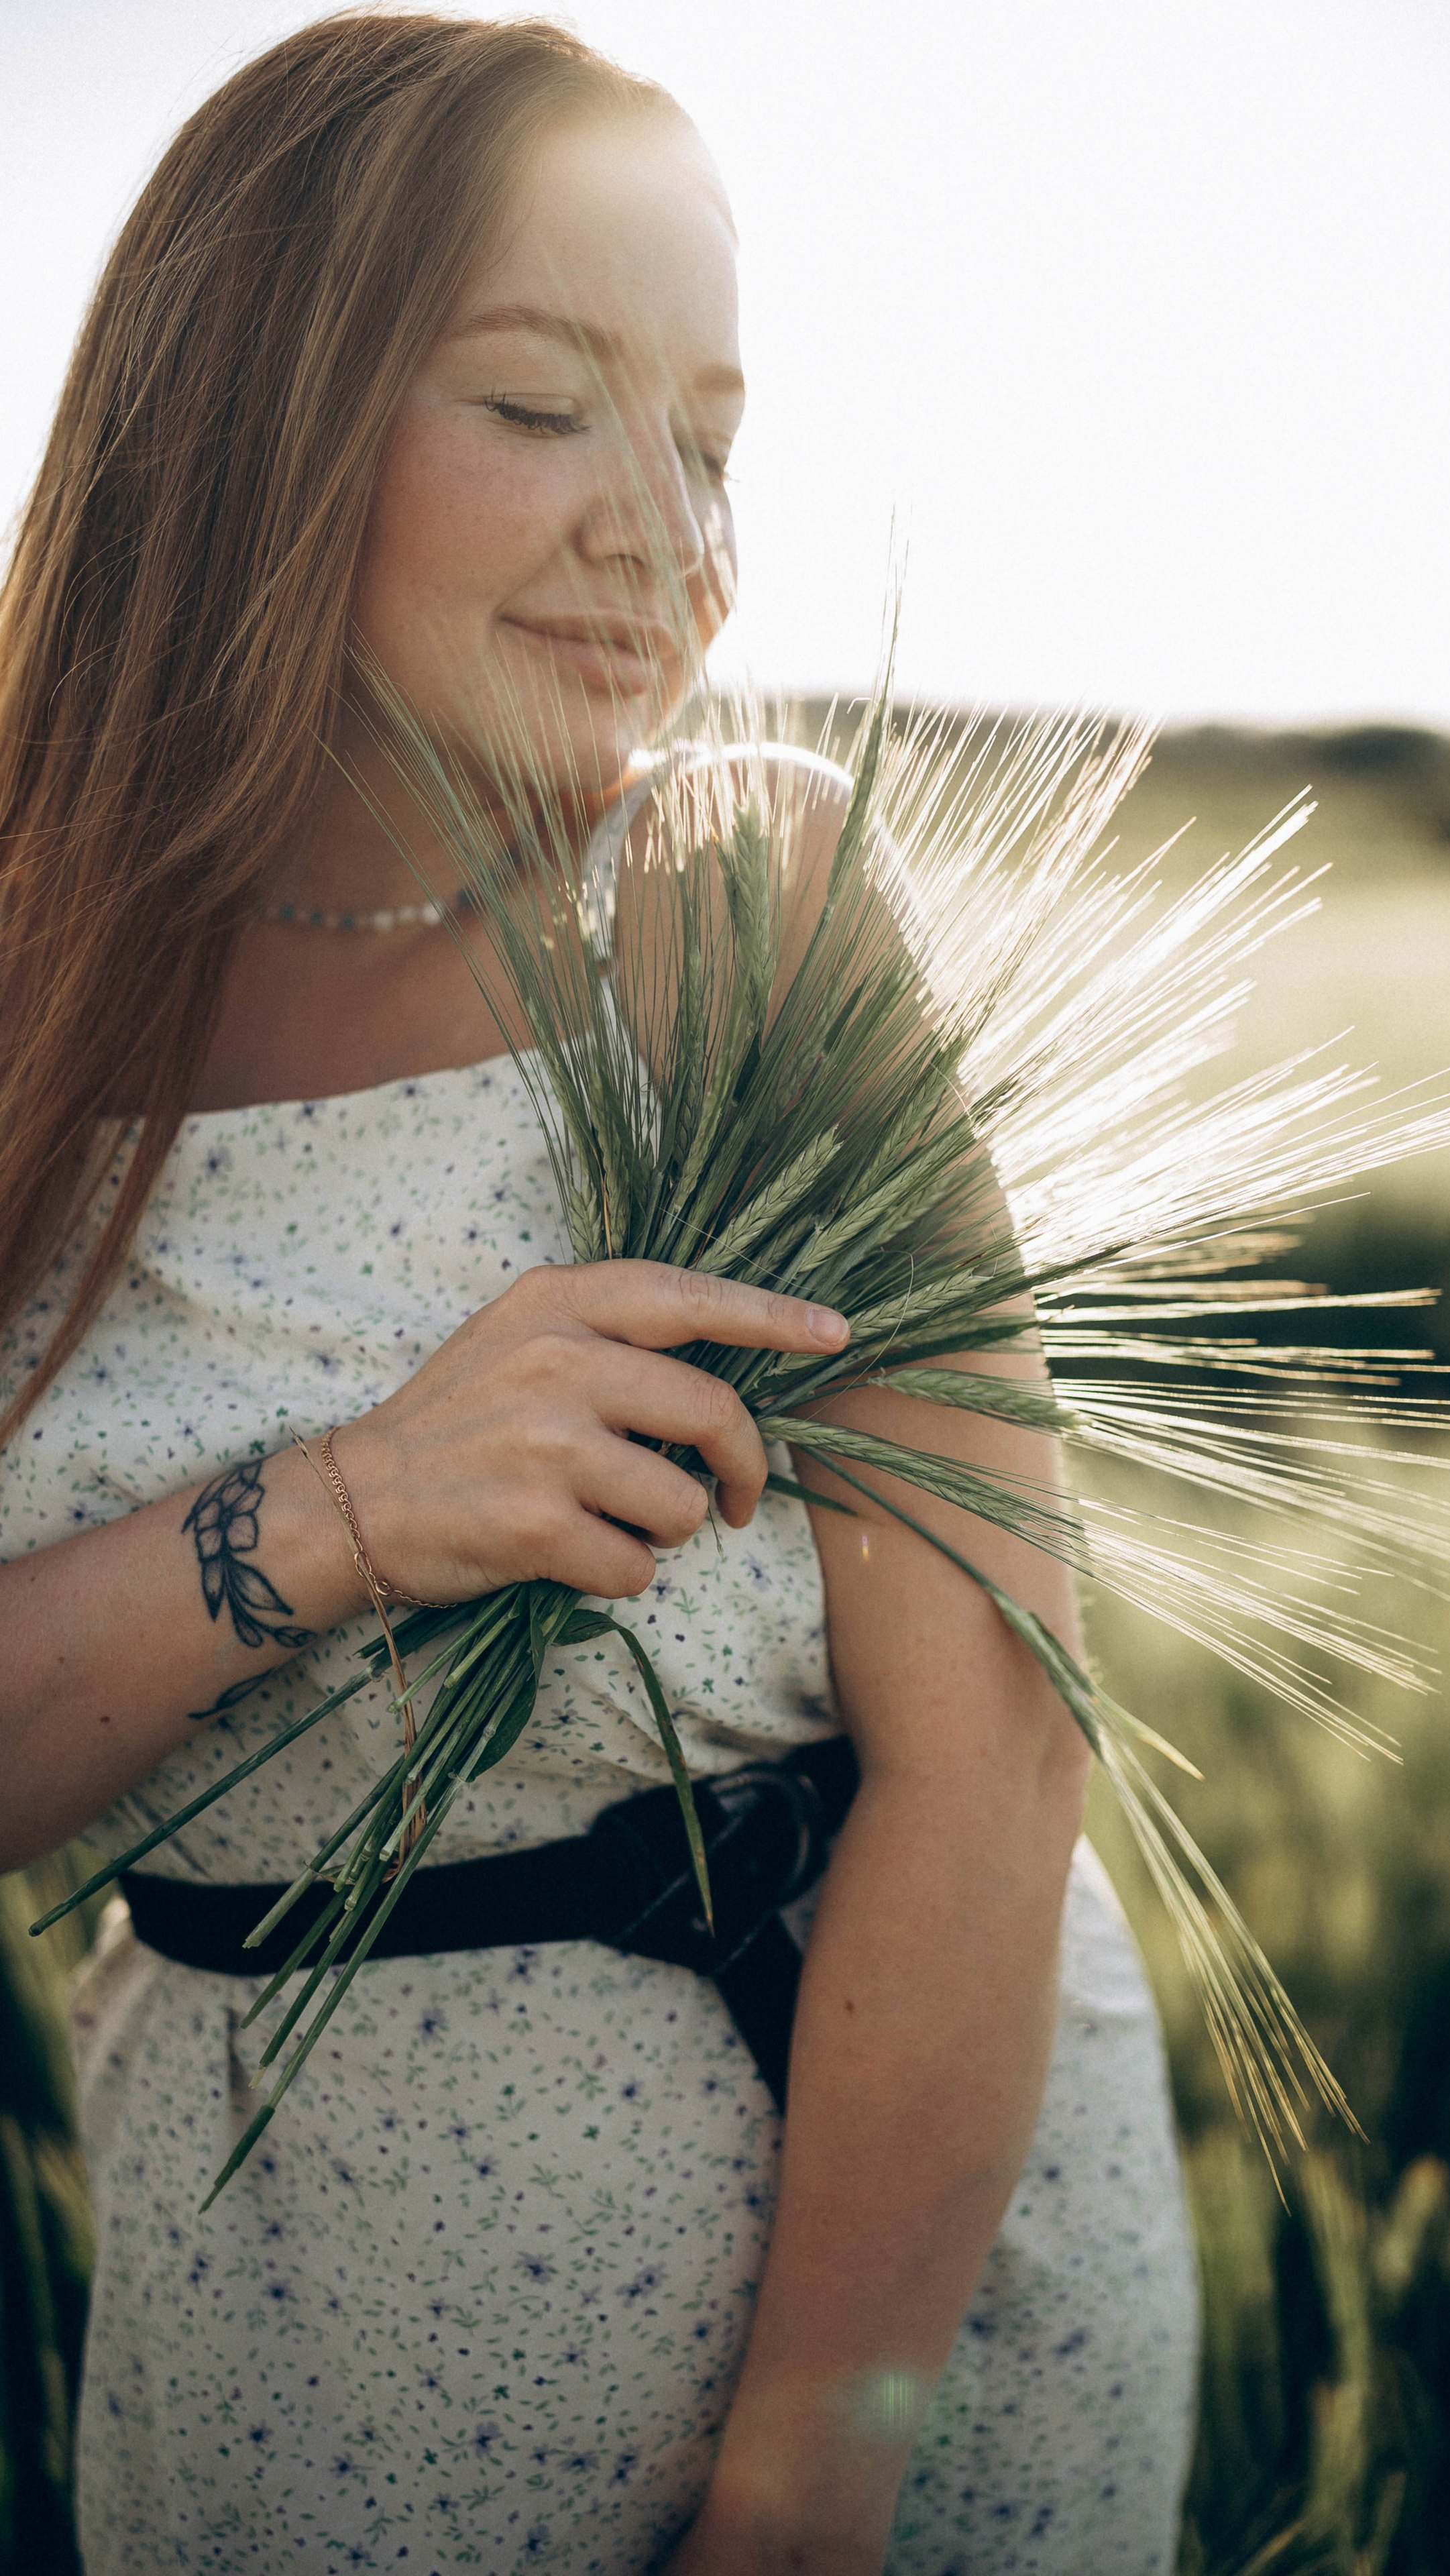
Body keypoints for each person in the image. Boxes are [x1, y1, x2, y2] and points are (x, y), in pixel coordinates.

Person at [0, 17, 1198, 2571]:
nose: (669, 531)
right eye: (546, 404)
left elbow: (992, 1737)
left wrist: (802, 2497)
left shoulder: (735, 913)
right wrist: (339, 1513)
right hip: (298, 2337)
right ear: (248, 420)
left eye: (718, 440)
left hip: (890, 2338)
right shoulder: (21, 1013)